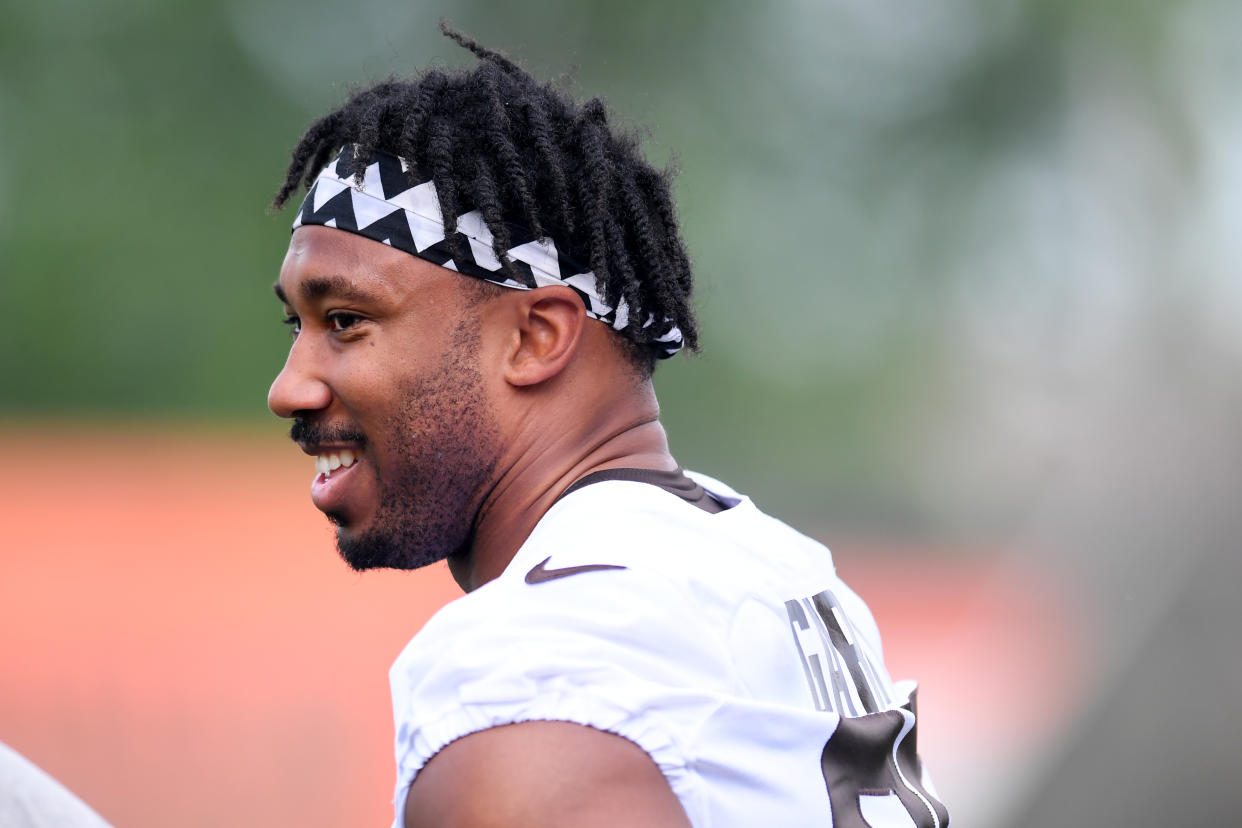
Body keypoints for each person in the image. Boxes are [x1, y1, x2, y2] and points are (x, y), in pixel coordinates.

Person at [267, 23, 950, 828]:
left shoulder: (536, 665)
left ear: (536, 336)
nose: (290, 388)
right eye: (297, 327)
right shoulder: (784, 570)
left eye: (346, 321)